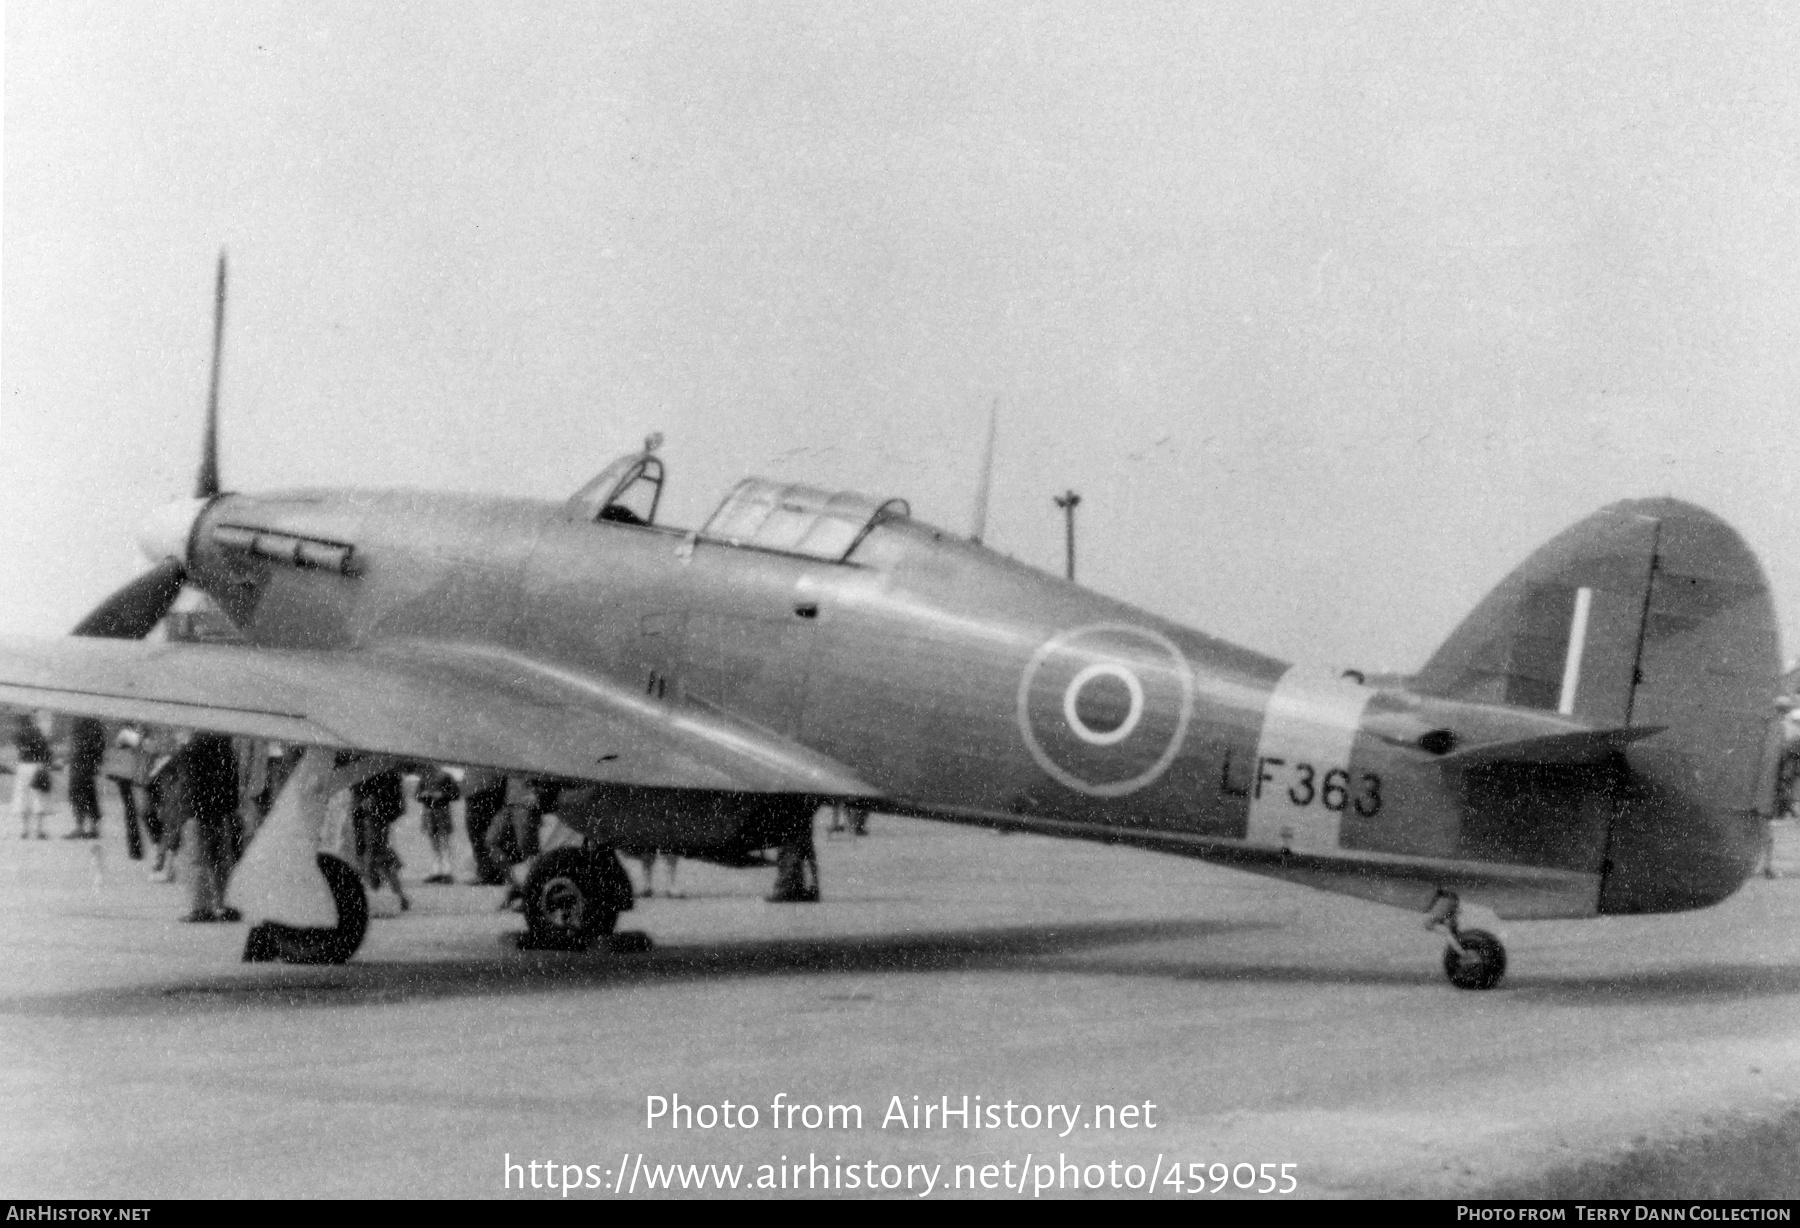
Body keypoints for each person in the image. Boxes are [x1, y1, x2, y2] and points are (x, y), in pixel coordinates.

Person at [160, 732, 242, 922]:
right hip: (220, 812)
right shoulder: (225, 747)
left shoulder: (191, 749)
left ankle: (201, 908)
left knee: (198, 861)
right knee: (220, 861)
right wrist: (229, 807)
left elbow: (185, 782)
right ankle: (221, 904)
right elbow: (232, 782)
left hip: (195, 812)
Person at [353, 767, 410, 911]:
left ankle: (396, 896)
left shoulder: (381, 764)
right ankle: (383, 894)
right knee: (366, 854)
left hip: (376, 814)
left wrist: (371, 798)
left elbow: (391, 786)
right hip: (364, 813)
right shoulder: (369, 762)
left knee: (377, 854)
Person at [103, 725, 160, 861]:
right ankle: (142, 848)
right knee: (137, 812)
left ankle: (145, 848)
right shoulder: (127, 733)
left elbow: (150, 748)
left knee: (139, 812)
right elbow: (137, 742)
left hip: (136, 777)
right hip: (131, 777)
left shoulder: (131, 733)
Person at [414, 766, 461, 884]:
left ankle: (447, 872)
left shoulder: (446, 776)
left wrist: (442, 794)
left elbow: (456, 794)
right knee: (433, 843)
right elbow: (417, 795)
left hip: (442, 810)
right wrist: (424, 794)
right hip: (429, 811)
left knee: (445, 841)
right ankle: (437, 871)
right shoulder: (424, 778)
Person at [462, 767, 509, 884]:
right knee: (477, 837)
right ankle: (487, 873)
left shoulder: (487, 758)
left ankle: (491, 874)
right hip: (474, 796)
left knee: (484, 837)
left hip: (486, 795)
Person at [12, 713, 52, 840]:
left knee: (22, 796)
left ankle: (24, 830)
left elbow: (18, 748)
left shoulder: (18, 734)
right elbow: (46, 751)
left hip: (23, 766)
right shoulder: (37, 732)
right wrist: (46, 764)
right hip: (36, 766)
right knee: (38, 797)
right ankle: (39, 830)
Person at [65, 718, 105, 840]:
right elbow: (100, 750)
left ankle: (80, 828)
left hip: (78, 768)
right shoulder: (97, 730)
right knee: (90, 796)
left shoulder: (80, 728)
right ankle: (94, 828)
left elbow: (75, 749)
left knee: (77, 796)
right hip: (90, 769)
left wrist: (70, 759)